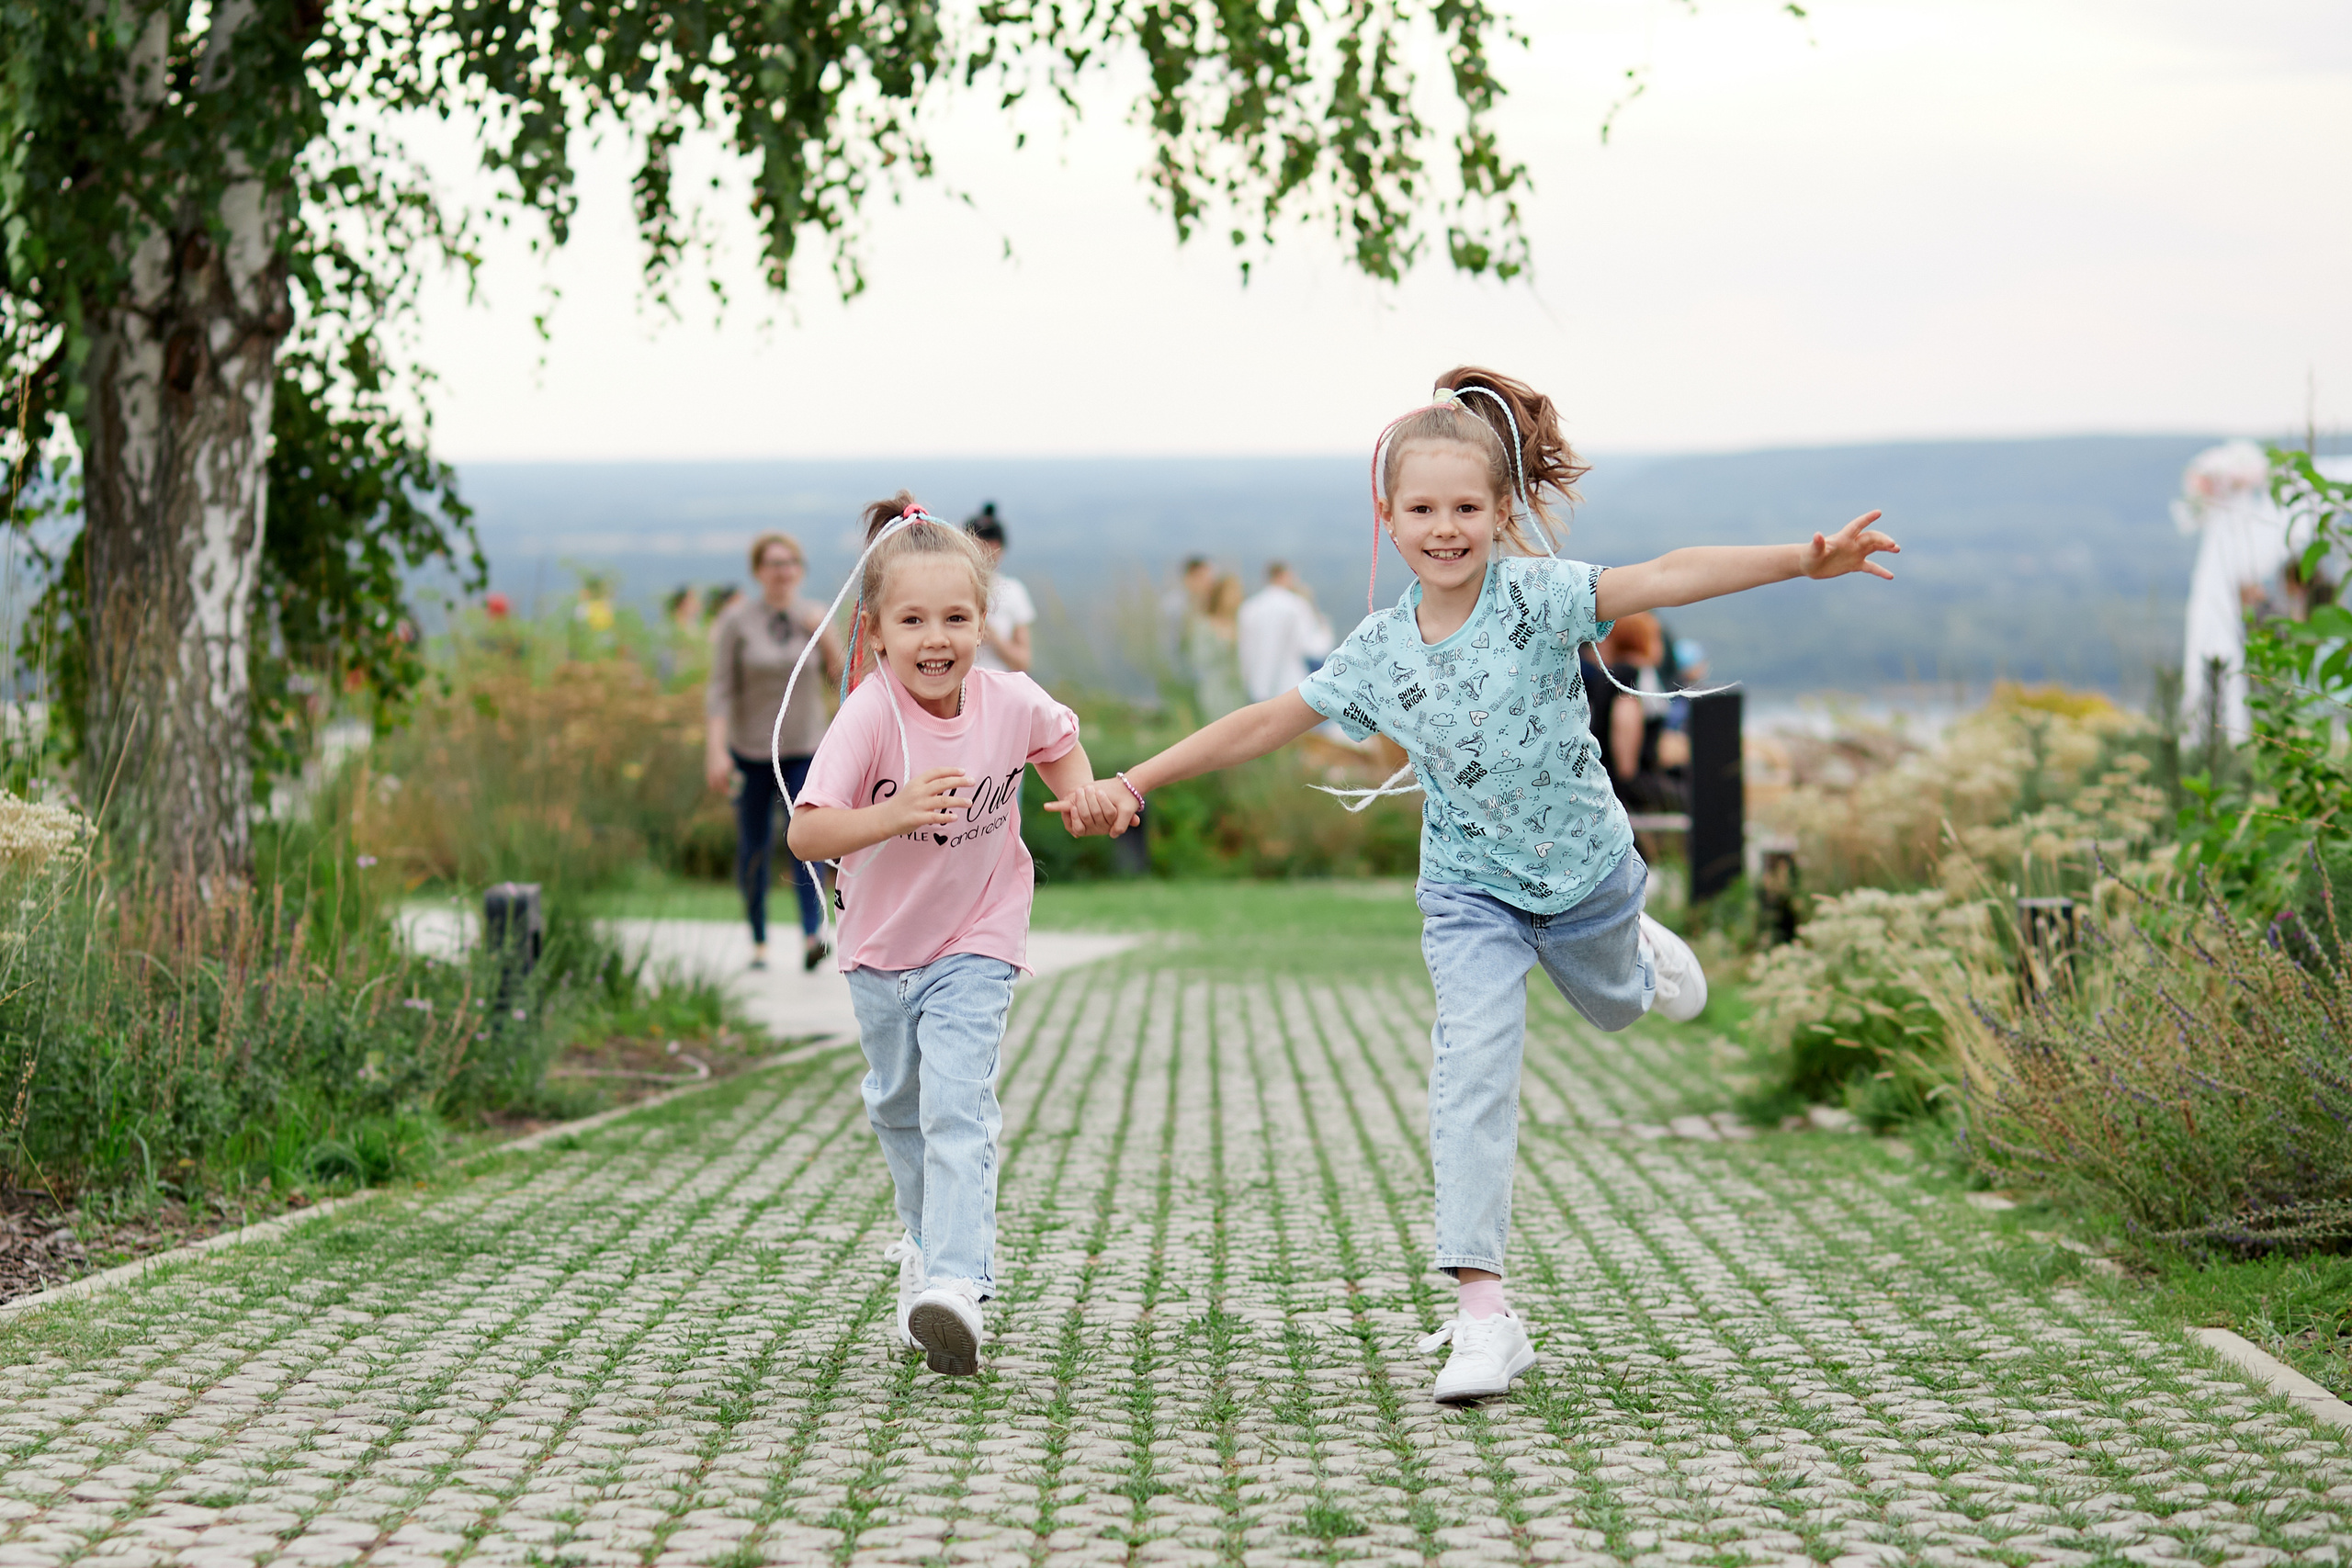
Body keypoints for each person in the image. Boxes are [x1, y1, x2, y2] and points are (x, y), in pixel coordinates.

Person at [1052, 366, 1898, 1407]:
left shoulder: (1539, 597)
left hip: (1587, 878)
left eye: (1465, 508)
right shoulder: (1377, 650)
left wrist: (1801, 563)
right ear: (1388, 519)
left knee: (1620, 1008)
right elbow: (1266, 720)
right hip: (1469, 896)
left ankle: (1638, 954)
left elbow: (1669, 575)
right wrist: (1133, 780)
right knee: (1471, 1076)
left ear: (1500, 512)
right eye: (1422, 510)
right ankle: (1484, 1317)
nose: (1444, 529)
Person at [787, 494, 1101, 1378]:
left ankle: (960, 1285)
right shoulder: (869, 715)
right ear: (875, 632)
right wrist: (890, 814)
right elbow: (807, 834)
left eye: (956, 618)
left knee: (956, 1107)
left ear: (983, 622)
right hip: (880, 951)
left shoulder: (1010, 699)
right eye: (913, 619)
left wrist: (1077, 796)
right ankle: (926, 1245)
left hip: (979, 936)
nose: (937, 637)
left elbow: (1059, 736)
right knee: (898, 1107)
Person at [707, 533, 846, 973]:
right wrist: (716, 749)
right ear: (758, 571)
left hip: (805, 747)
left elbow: (842, 677)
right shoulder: (737, 621)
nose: (782, 570)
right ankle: (759, 938)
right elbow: (721, 689)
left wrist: (822, 634)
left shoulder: (815, 614)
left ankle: (813, 932)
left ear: (800, 569)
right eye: (772, 563)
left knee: (806, 840)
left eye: (790, 562)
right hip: (750, 749)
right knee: (753, 844)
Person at [1237, 561, 1334, 703]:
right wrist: (1325, 627)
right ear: (1286, 576)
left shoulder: (1249, 607)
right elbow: (1312, 648)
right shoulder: (1296, 605)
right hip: (1291, 686)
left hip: (1258, 686)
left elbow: (1245, 651)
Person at [965, 504, 1035, 673]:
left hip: (1000, 687)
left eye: (993, 545)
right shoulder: (952, 588)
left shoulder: (1014, 591)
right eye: (981, 543)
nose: (988, 551)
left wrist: (993, 638)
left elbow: (1023, 661)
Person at [1186, 573, 1248, 719]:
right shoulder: (1205, 625)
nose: (1236, 597)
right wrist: (1224, 643)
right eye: (1231, 592)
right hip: (1216, 688)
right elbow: (1199, 658)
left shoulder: (1242, 622)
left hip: (1240, 687)